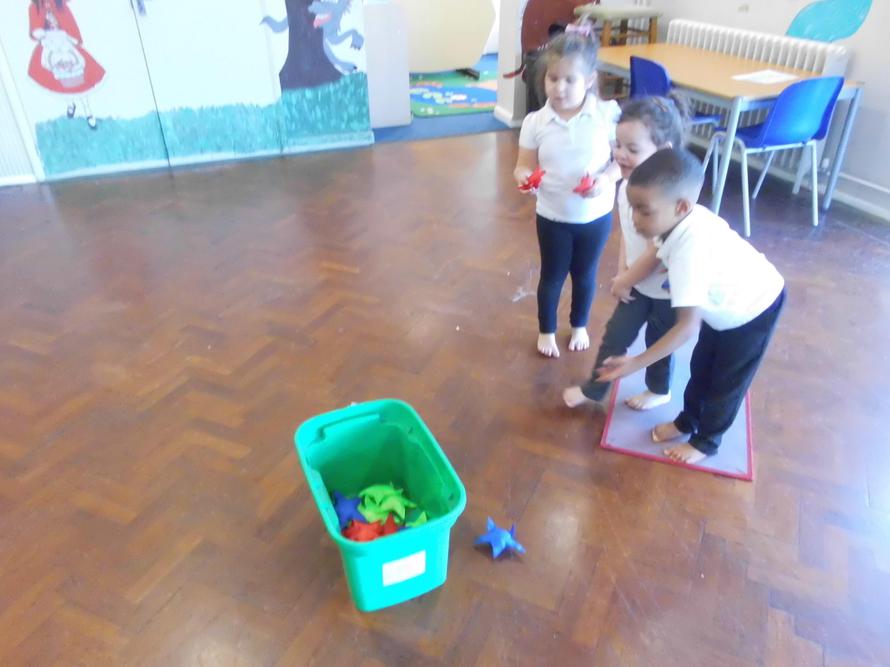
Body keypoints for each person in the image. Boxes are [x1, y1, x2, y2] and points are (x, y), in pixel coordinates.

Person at [594, 148, 786, 464]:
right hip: (720, 308)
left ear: (681, 206)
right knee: (701, 367)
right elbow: (657, 256)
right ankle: (688, 421)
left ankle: (706, 442)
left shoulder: (690, 248)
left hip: (753, 308)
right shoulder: (675, 221)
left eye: (644, 211)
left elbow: (686, 327)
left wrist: (635, 363)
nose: (634, 219)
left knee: (725, 382)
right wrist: (627, 278)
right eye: (632, 208)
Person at [564, 95, 688, 412]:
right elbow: (629, 237)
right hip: (637, 283)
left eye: (633, 149)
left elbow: (657, 252)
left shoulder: (666, 200)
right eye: (618, 145)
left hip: (666, 290)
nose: (620, 154)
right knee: (615, 337)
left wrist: (627, 278)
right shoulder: (626, 186)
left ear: (663, 153)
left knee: (658, 343)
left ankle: (659, 389)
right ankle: (594, 389)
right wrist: (623, 272)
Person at [513, 32, 621, 359]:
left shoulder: (607, 114)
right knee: (552, 276)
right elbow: (522, 166)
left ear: (588, 80)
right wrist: (525, 178)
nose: (559, 88)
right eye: (552, 78)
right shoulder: (535, 122)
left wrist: (605, 179)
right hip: (552, 216)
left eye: (569, 80)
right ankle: (546, 330)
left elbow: (622, 162)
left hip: (595, 216)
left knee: (585, 276)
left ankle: (579, 325)